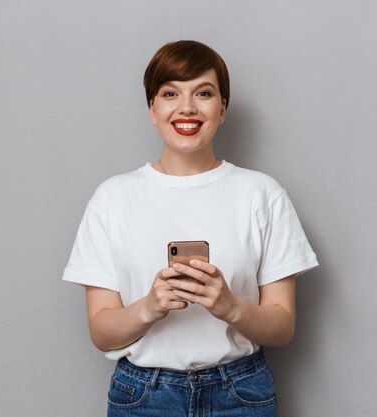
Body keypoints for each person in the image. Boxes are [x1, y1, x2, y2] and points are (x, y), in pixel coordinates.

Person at [63, 40, 318, 416]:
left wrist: (229, 306)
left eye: (203, 93)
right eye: (170, 93)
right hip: (143, 395)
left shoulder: (262, 194)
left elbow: (282, 328)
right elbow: (101, 331)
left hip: (241, 393)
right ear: (152, 109)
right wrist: (149, 307)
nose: (187, 107)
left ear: (222, 109)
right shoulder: (112, 198)